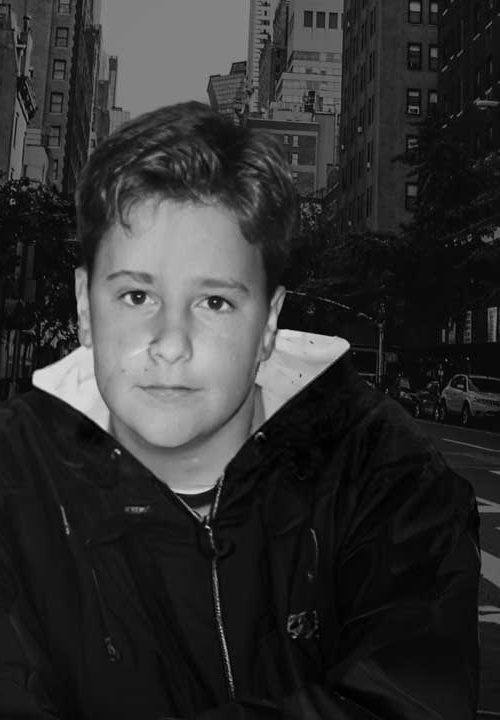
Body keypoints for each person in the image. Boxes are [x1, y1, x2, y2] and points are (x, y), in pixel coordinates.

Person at [0, 102, 480, 720]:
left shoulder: (386, 477)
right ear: (85, 308)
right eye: (137, 295)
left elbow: (412, 698)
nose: (171, 343)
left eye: (215, 302)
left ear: (269, 324)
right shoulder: (16, 479)